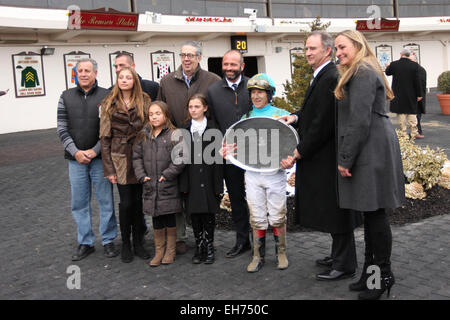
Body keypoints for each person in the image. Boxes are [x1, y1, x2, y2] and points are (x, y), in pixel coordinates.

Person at [280, 31, 362, 281]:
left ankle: (344, 264)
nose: (307, 53)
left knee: (336, 211)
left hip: (327, 158)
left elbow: (323, 123)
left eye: (312, 49)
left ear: (327, 51)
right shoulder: (323, 75)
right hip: (322, 157)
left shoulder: (331, 76)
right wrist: (294, 117)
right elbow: (312, 112)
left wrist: (298, 152)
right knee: (330, 210)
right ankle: (338, 256)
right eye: (306, 48)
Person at [334, 30, 405, 300]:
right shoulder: (361, 69)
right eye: (336, 48)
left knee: (374, 215)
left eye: (342, 47)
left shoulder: (362, 72)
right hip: (372, 145)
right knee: (370, 214)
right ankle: (370, 273)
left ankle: (381, 276)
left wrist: (345, 159)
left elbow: (359, 120)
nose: (338, 52)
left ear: (357, 44)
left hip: (370, 148)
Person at [157, 41, 221, 254]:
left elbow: (217, 112)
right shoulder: (166, 82)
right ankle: (181, 237)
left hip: (206, 143)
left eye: (191, 55)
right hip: (177, 143)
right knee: (182, 192)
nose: (186, 59)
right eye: (183, 54)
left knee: (203, 193)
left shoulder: (213, 81)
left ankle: (207, 241)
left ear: (199, 58)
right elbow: (162, 112)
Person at [223, 73, 290, 273]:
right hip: (252, 174)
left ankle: (281, 253)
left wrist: (290, 158)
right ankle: (257, 255)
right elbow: (237, 145)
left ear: (269, 94)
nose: (256, 96)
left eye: (260, 92)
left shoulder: (281, 114)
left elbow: (291, 143)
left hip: (275, 173)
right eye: (253, 92)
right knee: (257, 216)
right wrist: (227, 151)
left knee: (278, 215)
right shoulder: (247, 118)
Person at [57, 58, 118, 261]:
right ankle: (86, 242)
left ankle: (108, 240)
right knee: (79, 203)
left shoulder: (107, 96)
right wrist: (75, 152)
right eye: (80, 70)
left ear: (95, 73)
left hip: (100, 159)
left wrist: (94, 151)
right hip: (75, 160)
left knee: (106, 201)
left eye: (87, 71)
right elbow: (61, 128)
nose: (83, 74)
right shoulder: (65, 97)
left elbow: (110, 129)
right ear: (76, 73)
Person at [100, 67, 151, 263]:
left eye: (128, 77)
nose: (124, 80)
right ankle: (126, 244)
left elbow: (150, 126)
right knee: (126, 203)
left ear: (134, 80)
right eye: (121, 77)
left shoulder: (144, 100)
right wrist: (109, 169)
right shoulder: (109, 103)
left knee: (139, 202)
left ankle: (139, 242)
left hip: (140, 155)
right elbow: (104, 138)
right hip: (119, 157)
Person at [207, 49, 251, 258]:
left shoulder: (254, 86)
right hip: (229, 155)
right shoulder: (213, 91)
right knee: (236, 198)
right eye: (226, 64)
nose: (229, 68)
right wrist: (220, 146)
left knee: (259, 198)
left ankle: (262, 241)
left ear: (242, 66)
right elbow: (212, 122)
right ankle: (243, 241)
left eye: (233, 65)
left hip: (255, 154)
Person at [132, 101, 185, 267]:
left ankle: (170, 250)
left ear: (166, 115)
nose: (154, 117)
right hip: (150, 184)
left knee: (169, 216)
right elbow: (136, 157)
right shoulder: (143, 135)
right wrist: (141, 176)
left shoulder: (174, 134)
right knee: (156, 217)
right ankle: (159, 250)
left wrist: (167, 175)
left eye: (158, 113)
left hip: (166, 183)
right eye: (151, 114)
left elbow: (181, 158)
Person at [179, 94, 223, 264]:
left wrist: (218, 185)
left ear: (205, 108)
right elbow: (181, 159)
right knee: (195, 215)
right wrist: (184, 184)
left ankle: (209, 246)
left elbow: (219, 161)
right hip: (192, 179)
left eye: (197, 107)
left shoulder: (214, 129)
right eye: (190, 107)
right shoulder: (183, 130)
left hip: (209, 178)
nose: (193, 110)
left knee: (208, 215)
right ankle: (199, 246)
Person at [385, 49, 422, 140]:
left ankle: (404, 133)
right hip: (411, 93)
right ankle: (414, 132)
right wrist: (419, 94)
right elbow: (417, 81)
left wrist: (388, 66)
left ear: (401, 54)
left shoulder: (394, 64)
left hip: (398, 93)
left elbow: (387, 73)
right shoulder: (414, 65)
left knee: (401, 113)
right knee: (412, 112)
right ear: (408, 55)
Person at [409, 54, 427, 139]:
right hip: (411, 96)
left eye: (411, 60)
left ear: (415, 60)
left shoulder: (420, 70)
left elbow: (421, 84)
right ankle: (415, 131)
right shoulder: (412, 69)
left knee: (417, 115)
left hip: (418, 96)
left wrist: (419, 95)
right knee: (413, 115)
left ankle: (418, 131)